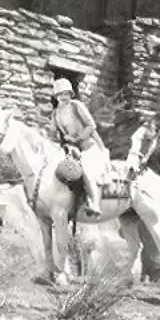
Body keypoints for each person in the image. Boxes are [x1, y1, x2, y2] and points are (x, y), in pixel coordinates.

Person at [50, 77, 109, 217]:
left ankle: (94, 203)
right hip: (72, 150)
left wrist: (76, 138)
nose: (64, 97)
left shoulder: (77, 106)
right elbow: (54, 135)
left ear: (71, 94)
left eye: (66, 93)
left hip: (89, 146)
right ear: (56, 96)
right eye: (60, 94)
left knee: (86, 169)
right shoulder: (55, 114)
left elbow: (91, 125)